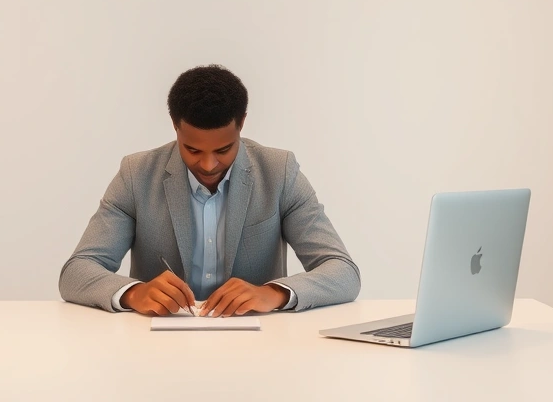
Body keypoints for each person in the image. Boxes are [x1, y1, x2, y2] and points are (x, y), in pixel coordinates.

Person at [59, 65, 360, 316]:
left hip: (257, 345)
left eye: (224, 149)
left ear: (241, 124)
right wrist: (134, 294)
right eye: (191, 149)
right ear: (175, 126)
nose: (207, 163)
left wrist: (273, 294)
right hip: (157, 346)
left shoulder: (279, 172)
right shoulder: (136, 175)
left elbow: (343, 272)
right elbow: (76, 272)